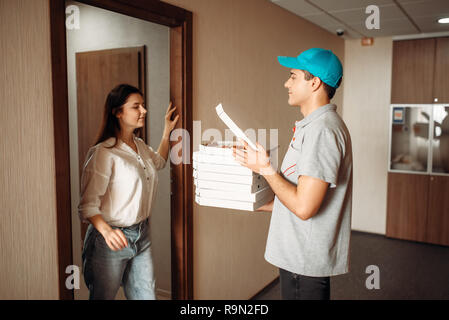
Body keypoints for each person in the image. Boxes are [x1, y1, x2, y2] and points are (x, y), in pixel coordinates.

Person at [233, 48, 352, 300]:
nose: (286, 83)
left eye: (293, 76)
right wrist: (258, 201)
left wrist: (265, 168)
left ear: (314, 82)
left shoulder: (322, 131)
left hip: (303, 260)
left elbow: (304, 207)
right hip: (300, 257)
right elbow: (299, 196)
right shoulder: (314, 127)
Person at [78, 84, 179, 300]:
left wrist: (166, 131)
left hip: (141, 234)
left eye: (142, 105)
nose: (144, 110)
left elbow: (159, 161)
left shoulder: (139, 146)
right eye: (136, 106)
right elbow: (88, 205)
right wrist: (106, 232)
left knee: (146, 296)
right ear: (118, 112)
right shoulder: (103, 153)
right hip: (109, 240)